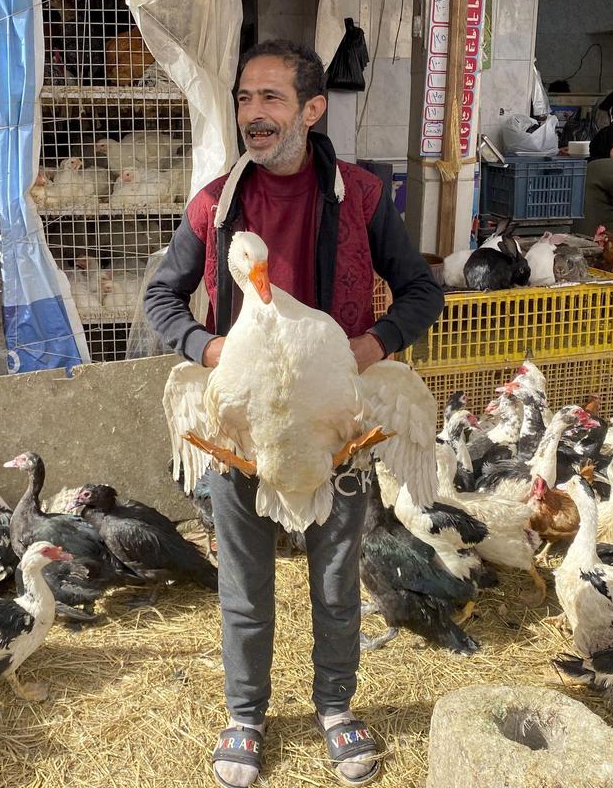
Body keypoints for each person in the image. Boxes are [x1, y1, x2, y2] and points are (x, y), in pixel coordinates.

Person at [143, 39, 442, 788]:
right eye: (245, 98)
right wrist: (210, 353)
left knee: (337, 583)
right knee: (244, 585)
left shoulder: (362, 196)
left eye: (271, 98)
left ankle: (336, 709)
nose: (253, 113)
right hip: (243, 437)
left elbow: (420, 290)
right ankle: (245, 716)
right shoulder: (215, 203)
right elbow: (159, 298)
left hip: (328, 435)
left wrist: (367, 349)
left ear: (313, 109)